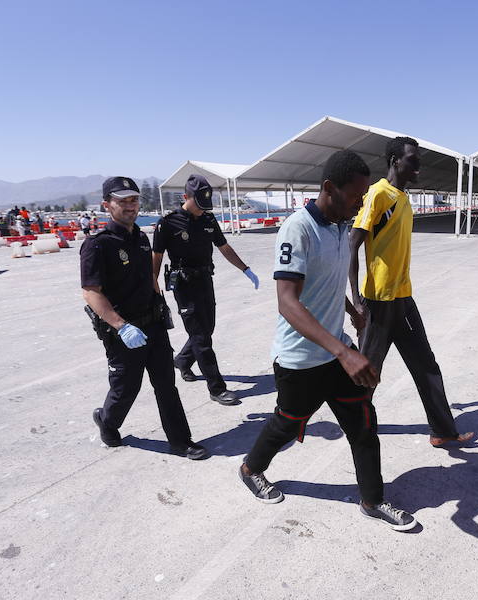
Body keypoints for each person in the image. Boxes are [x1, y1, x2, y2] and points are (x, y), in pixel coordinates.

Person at [239, 150, 416, 531]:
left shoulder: (339, 227)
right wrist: (344, 352)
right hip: (300, 360)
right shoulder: (297, 229)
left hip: (335, 352)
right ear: (329, 189)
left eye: (363, 196)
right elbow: (288, 302)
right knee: (286, 424)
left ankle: (373, 499)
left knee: (364, 425)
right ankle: (251, 468)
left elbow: (324, 283)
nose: (360, 204)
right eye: (355, 196)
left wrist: (349, 309)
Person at [349, 136, 472, 448]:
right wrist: (356, 301)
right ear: (395, 161)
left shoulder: (403, 198)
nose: (418, 167)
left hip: (403, 298)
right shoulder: (378, 194)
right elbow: (352, 246)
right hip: (377, 301)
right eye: (412, 160)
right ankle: (353, 423)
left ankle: (443, 429)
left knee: (425, 364)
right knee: (367, 372)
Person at [81, 176, 207, 460]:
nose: (130, 206)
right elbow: (91, 292)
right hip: (123, 332)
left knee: (166, 384)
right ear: (107, 205)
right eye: (122, 201)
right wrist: (121, 326)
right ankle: (107, 421)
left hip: (153, 324)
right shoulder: (98, 245)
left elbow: (148, 276)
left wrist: (160, 301)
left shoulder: (139, 237)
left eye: (134, 200)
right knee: (126, 388)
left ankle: (181, 441)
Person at [152, 174, 259, 405]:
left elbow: (224, 247)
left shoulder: (208, 220)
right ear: (186, 197)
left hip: (205, 281)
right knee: (201, 337)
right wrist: (153, 285)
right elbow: (157, 256)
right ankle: (217, 388)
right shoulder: (168, 222)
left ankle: (182, 360)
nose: (202, 210)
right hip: (184, 285)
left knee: (207, 329)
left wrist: (245, 269)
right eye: (198, 205)